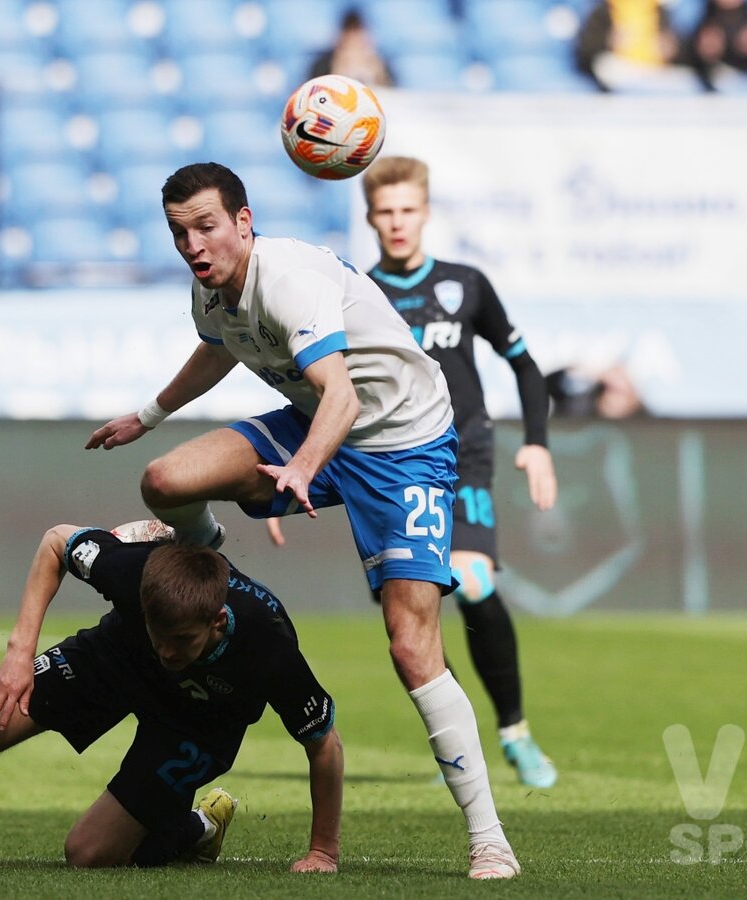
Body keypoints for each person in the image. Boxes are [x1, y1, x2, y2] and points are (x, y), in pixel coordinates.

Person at [85, 162, 520, 880]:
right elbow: (218, 346)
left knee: (412, 648)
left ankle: (489, 838)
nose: (193, 244)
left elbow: (343, 397)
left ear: (244, 221)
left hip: (402, 441)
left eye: (206, 226)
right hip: (315, 426)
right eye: (178, 232)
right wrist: (149, 415)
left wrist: (303, 470)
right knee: (164, 480)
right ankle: (208, 553)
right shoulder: (210, 290)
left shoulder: (288, 281)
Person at [269, 155, 559, 789]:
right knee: (416, 604)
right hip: (387, 459)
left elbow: (526, 365)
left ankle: (516, 733)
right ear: (370, 218)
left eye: (408, 210)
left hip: (464, 452)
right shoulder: (354, 292)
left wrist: (536, 443)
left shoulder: (467, 285)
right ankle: (463, 741)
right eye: (385, 212)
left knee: (475, 581)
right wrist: (297, 470)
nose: (398, 223)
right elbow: (325, 390)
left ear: (425, 213)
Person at [0, 519, 343, 873]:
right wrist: (19, 654)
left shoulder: (267, 642)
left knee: (89, 854)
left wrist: (322, 852)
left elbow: (324, 745)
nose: (169, 652)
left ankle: (200, 827)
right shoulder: (133, 571)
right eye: (160, 634)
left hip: (196, 722)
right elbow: (55, 542)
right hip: (116, 660)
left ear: (215, 623)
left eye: (183, 642)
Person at [575, 0, 696, 93]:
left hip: (654, 70)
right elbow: (585, 50)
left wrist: (671, 49)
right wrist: (608, 41)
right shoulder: (605, 8)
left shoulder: (659, 10)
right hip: (620, 69)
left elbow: (682, 50)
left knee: (686, 79)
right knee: (605, 66)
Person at [308, 7, 394, 88]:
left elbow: (392, 93)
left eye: (357, 31)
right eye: (349, 31)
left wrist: (377, 71)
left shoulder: (380, 61)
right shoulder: (322, 63)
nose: (353, 37)